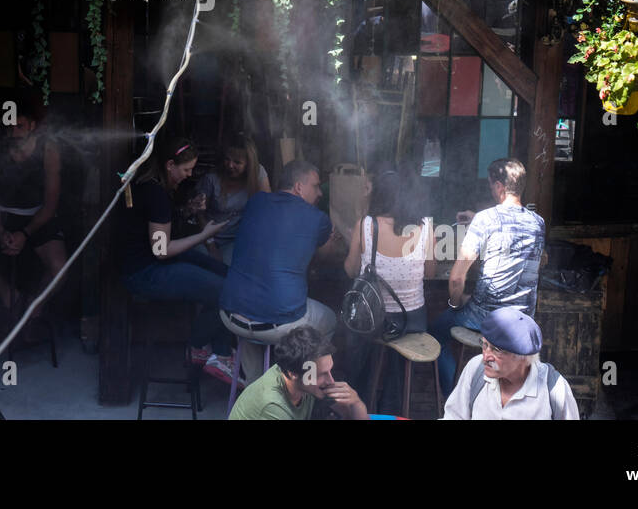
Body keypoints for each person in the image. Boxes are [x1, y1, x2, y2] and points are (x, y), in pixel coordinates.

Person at [118, 139, 238, 383]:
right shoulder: (155, 193)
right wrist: (204, 236)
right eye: (186, 170)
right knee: (229, 292)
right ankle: (207, 350)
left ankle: (207, 348)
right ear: (170, 165)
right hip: (144, 273)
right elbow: (161, 250)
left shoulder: (153, 186)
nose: (189, 175)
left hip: (151, 263)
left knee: (230, 277)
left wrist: (188, 210)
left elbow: (158, 229)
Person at [220, 159, 344, 382]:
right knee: (330, 319)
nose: (320, 193)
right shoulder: (318, 218)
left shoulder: (256, 201)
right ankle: (300, 388)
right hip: (277, 323)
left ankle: (254, 387)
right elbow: (327, 256)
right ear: (298, 186)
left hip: (231, 315)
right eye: (316, 186)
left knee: (254, 319)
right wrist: (334, 241)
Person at [430, 157, 545, 392]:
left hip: (486, 318)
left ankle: (459, 397)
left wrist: (454, 303)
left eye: (492, 185)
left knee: (435, 333)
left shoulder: (486, 219)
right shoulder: (538, 222)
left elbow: (456, 278)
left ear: (500, 187)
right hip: (523, 319)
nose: (491, 190)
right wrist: (477, 220)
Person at [342, 167, 434, 414]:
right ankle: (392, 408)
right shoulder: (426, 227)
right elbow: (431, 273)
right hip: (412, 321)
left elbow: (351, 271)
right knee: (397, 368)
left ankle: (357, 404)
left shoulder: (366, 225)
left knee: (357, 345)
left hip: (373, 320)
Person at [0, 96, 67, 315]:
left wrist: (24, 234)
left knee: (59, 268)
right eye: (9, 127)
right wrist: (0, 231)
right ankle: (11, 297)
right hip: (0, 215)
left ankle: (32, 311)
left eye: (20, 126)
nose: (14, 132)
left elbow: (50, 205)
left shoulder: (48, 150)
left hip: (37, 216)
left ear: (32, 126)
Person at [441, 307, 579, 420]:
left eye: (497, 350)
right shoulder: (476, 367)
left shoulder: (554, 390)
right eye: (484, 345)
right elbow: (454, 416)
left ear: (523, 357)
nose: (486, 357)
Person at [229, 325, 367, 420]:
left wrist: (356, 403)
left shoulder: (304, 375)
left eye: (329, 371)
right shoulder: (273, 407)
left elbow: (349, 415)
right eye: (320, 374)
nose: (331, 380)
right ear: (293, 374)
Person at [194, 133, 271, 264]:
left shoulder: (258, 174)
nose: (230, 165)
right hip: (208, 237)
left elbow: (268, 209)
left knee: (228, 267)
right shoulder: (212, 179)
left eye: (237, 162)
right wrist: (211, 246)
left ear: (248, 164)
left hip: (237, 240)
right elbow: (199, 215)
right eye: (227, 159)